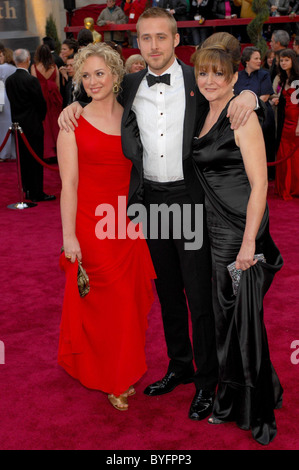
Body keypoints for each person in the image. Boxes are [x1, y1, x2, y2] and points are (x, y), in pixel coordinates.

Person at [58, 7, 261, 422]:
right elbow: (96, 93)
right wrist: (72, 107)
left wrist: (250, 95)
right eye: (145, 38)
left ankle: (207, 381)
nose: (153, 46)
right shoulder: (128, 83)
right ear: (137, 42)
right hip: (148, 205)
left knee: (197, 295)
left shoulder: (196, 79)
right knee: (167, 292)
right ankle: (180, 366)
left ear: (175, 40)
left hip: (188, 200)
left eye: (161, 38)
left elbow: (234, 96)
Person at [191, 35, 283, 445]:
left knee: (239, 320)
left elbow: (261, 184)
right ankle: (244, 392)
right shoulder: (202, 113)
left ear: (232, 78)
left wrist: (249, 243)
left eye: (218, 74)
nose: (210, 80)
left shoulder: (239, 114)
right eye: (203, 73)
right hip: (211, 228)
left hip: (238, 229)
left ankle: (247, 405)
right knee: (226, 318)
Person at [57, 42, 155, 412]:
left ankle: (123, 370)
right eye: (85, 75)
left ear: (116, 75)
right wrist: (69, 237)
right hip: (91, 227)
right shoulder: (73, 121)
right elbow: (69, 185)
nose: (93, 81)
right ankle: (112, 376)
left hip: (128, 225)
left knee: (130, 305)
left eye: (100, 73)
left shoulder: (133, 115)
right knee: (104, 306)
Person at [5, 49, 55, 202]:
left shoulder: (9, 80)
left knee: (23, 159)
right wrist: (39, 119)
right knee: (35, 158)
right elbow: (41, 104)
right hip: (32, 125)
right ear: (27, 59)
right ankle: (36, 192)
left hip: (17, 125)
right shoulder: (31, 80)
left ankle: (26, 189)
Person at [234, 46, 276, 180]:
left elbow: (264, 96)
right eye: (256, 58)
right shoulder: (238, 76)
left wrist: (247, 108)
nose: (259, 61)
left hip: (262, 117)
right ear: (247, 61)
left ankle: (265, 176)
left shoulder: (264, 75)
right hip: (241, 118)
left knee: (263, 146)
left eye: (260, 58)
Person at [274, 49, 299, 200]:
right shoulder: (282, 79)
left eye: (286, 60)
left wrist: (298, 125)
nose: (283, 63)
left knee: (295, 155)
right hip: (284, 120)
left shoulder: (297, 80)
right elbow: (279, 95)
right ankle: (285, 186)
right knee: (284, 154)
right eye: (281, 60)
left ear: (293, 61)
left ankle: (294, 187)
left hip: (295, 121)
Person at [31, 45, 63, 160]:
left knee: (45, 124)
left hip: (41, 98)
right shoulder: (54, 67)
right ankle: (59, 150)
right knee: (55, 124)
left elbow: (34, 86)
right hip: (53, 98)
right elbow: (58, 85)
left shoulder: (34, 67)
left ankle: (46, 152)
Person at [0, 57, 16, 161]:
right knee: (10, 125)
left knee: (3, 127)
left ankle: (3, 153)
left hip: (2, 95)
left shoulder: (2, 67)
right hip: (12, 96)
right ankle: (12, 152)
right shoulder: (14, 68)